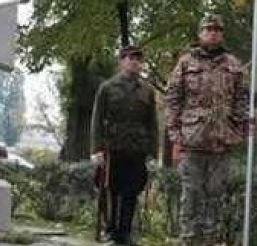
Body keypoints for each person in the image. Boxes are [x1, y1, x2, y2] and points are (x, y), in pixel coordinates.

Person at [165, 14, 248, 246]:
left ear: (222, 34)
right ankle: (189, 240)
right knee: (191, 194)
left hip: (222, 142)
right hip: (192, 140)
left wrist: (239, 130)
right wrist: (175, 134)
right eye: (208, 29)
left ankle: (211, 240)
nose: (213, 33)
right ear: (200, 34)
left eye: (217, 30)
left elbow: (242, 99)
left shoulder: (233, 64)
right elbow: (172, 98)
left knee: (216, 195)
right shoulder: (185, 63)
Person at [90, 45, 158, 246]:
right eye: (129, 58)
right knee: (111, 190)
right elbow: (97, 120)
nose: (134, 62)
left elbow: (152, 123)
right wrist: (96, 149)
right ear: (121, 61)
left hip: (137, 149)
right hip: (113, 147)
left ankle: (125, 233)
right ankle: (111, 231)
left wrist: (153, 152)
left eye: (137, 59)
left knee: (132, 192)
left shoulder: (147, 90)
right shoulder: (108, 87)